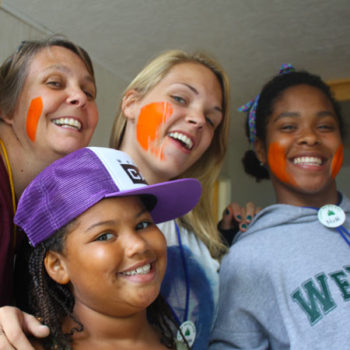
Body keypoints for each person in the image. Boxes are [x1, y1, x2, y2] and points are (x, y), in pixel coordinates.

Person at [210, 65, 350, 349]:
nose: (310, 137)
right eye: (288, 127)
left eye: (325, 126)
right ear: (260, 149)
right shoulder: (246, 258)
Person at [14, 146, 202, 349]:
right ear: (57, 266)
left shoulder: (171, 336)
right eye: (104, 236)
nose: (138, 245)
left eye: (144, 224)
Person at [0, 36, 98, 344]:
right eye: (55, 82)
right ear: (7, 107)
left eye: (89, 91)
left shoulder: (40, 211)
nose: (80, 98)